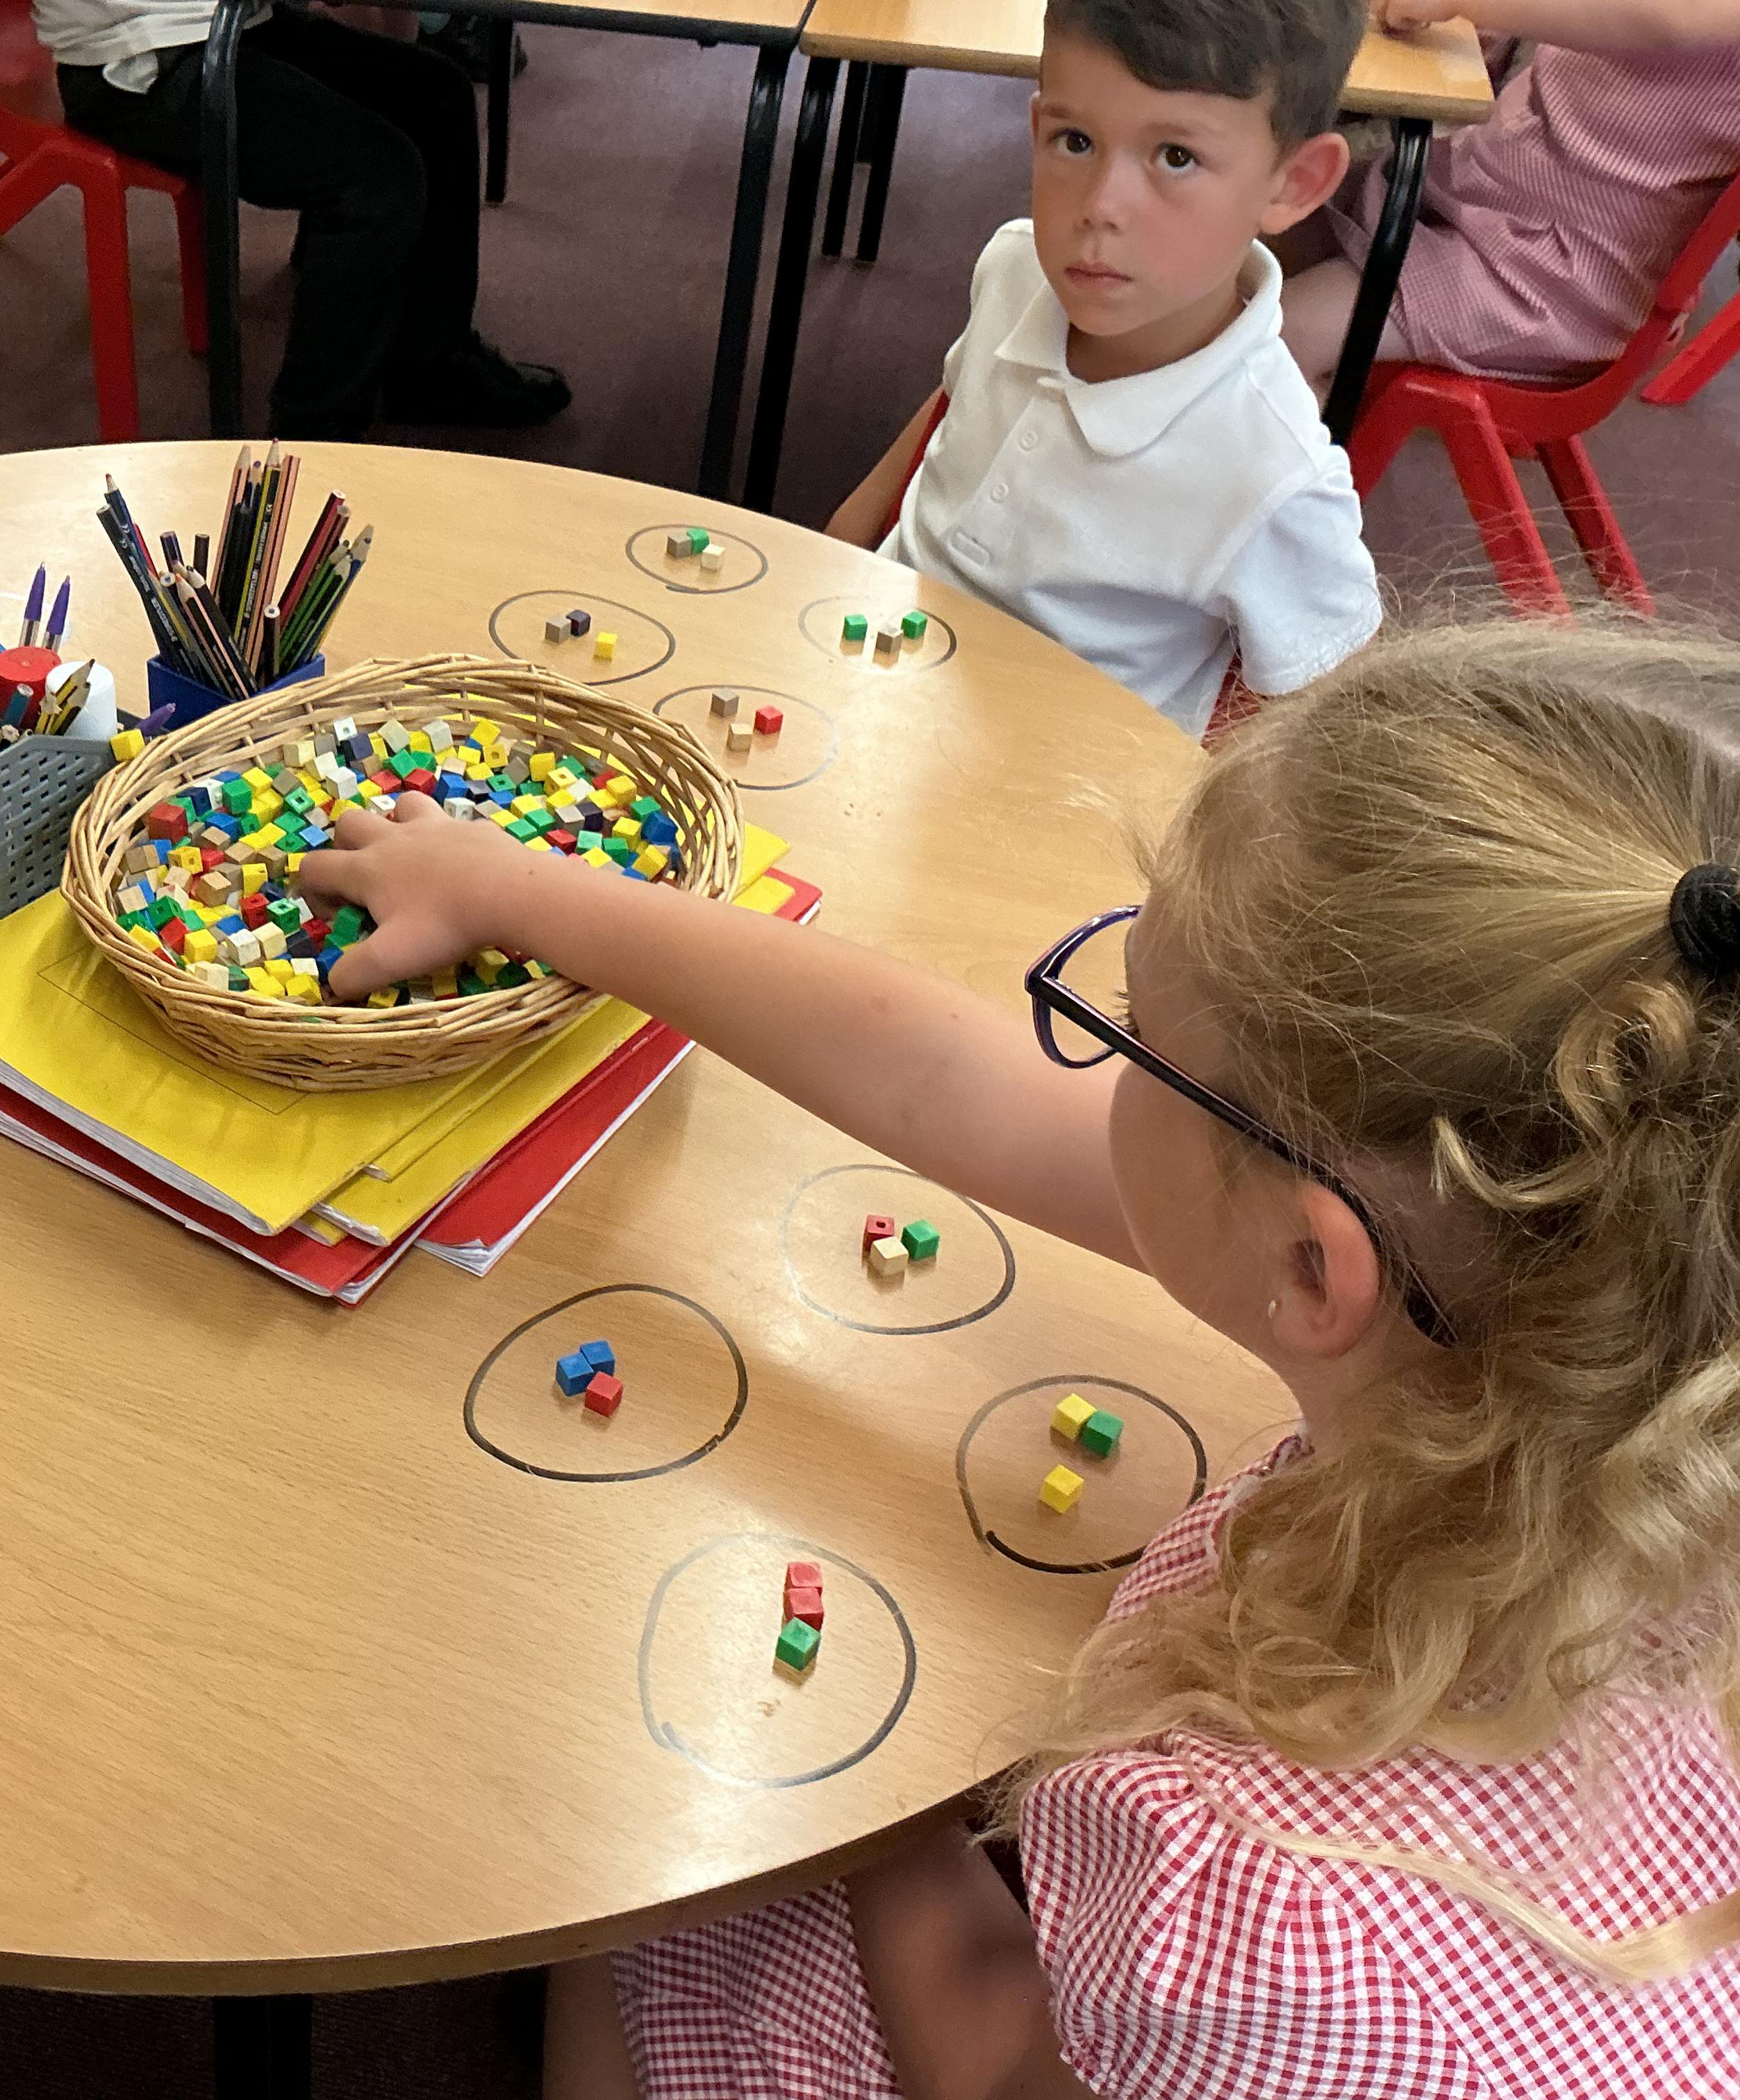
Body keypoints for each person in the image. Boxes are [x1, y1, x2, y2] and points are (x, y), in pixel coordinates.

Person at [301, 619, 1740, 2098]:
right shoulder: (1632, 1357)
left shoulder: (1256, 1907)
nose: (1097, 1054)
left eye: (1132, 1034)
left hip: (1044, 2031)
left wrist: (869, 1793)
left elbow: (992, 2054)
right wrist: (518, 890)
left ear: (1315, 1269)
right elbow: (946, 1079)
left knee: (631, 1884)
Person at [826, 0, 1379, 738]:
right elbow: (956, 405)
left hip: (1048, 779)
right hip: (877, 686)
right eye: (1076, 141)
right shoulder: (1016, 268)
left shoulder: (1276, 473)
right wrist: (836, 550)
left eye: (1175, 157)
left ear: (1294, 183)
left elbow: (1331, 725)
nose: (1100, 207)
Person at [37, 0, 570, 440]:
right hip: (137, 57)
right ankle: (313, 431)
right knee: (375, 180)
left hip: (225, 23)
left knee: (436, 95)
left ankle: (429, 364)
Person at [1282, 0, 1740, 388]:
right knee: (1273, 226)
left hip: (1554, 276)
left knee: (1280, 338)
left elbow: (1675, 19)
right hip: (1480, 181)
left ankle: (1300, 453)